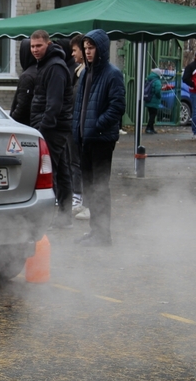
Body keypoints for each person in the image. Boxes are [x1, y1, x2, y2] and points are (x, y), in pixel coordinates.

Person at [72, 29, 126, 247]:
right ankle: (95, 231)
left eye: (91, 47)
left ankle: (103, 235)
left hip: (102, 140)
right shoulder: (86, 73)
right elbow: (79, 105)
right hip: (85, 139)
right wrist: (78, 129)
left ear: (101, 49)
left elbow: (118, 106)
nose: (87, 52)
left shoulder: (112, 74)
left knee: (100, 187)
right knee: (90, 187)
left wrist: (97, 125)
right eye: (85, 48)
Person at [28, 30, 73, 230]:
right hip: (55, 127)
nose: (35, 50)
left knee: (50, 173)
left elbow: (53, 104)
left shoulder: (55, 67)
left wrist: (42, 130)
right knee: (62, 172)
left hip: (52, 129)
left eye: (39, 46)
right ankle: (64, 217)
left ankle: (50, 219)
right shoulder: (47, 65)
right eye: (32, 46)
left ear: (48, 44)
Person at [69, 34, 87, 218]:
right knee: (73, 162)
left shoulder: (86, 73)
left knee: (78, 163)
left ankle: (80, 198)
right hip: (74, 123)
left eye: (75, 50)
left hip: (81, 126)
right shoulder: (78, 71)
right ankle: (77, 196)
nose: (73, 54)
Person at [9, 39, 36, 126]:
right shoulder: (41, 70)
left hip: (24, 125)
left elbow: (22, 105)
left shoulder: (27, 76)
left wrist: (12, 120)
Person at [144, 68, 163, 134]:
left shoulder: (149, 79)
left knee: (151, 115)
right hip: (154, 101)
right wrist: (159, 97)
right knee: (153, 115)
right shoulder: (157, 81)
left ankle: (151, 128)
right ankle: (149, 128)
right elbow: (158, 91)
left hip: (148, 99)